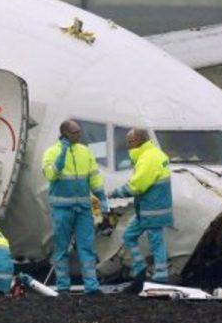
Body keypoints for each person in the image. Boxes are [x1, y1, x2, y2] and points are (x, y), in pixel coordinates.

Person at [42, 120, 109, 295]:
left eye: (79, 132)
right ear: (64, 133)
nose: (79, 135)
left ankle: (91, 286)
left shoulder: (85, 152)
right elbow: (51, 175)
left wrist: (101, 198)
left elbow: (94, 177)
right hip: (62, 209)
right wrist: (62, 155)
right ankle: (63, 286)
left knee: (87, 248)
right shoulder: (51, 152)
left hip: (83, 209)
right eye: (75, 132)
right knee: (61, 248)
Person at [109, 129, 173, 287]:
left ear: (139, 140)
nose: (127, 145)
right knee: (129, 236)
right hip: (145, 210)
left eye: (130, 141)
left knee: (156, 241)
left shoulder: (148, 158)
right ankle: (140, 267)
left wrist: (114, 193)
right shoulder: (153, 154)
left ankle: (161, 277)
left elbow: (137, 186)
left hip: (153, 209)